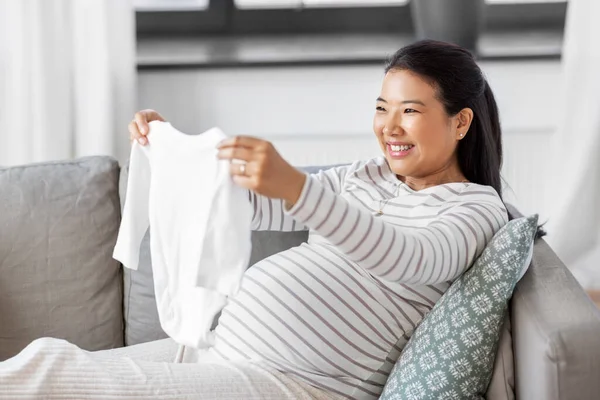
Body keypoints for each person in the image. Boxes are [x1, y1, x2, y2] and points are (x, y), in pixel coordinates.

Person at [0, 40, 508, 400]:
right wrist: (174, 151)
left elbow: (405, 257)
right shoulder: (367, 174)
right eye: (381, 107)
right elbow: (255, 204)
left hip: (297, 384)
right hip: (217, 354)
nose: (389, 126)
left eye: (410, 110)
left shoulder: (474, 209)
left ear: (460, 121)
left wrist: (298, 187)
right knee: (39, 366)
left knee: (50, 374)